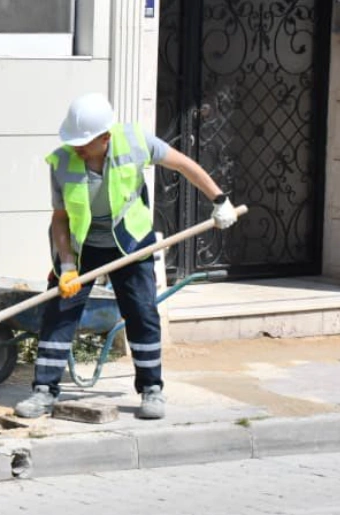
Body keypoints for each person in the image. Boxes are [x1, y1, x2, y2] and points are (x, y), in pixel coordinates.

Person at [14, 93, 239, 421]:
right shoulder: (62, 161)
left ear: (105, 137)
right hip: (82, 248)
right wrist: (65, 265)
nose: (77, 147)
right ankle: (43, 392)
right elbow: (60, 218)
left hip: (131, 244)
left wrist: (219, 200)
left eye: (85, 141)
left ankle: (151, 390)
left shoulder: (135, 141)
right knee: (60, 313)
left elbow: (183, 165)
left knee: (142, 314)